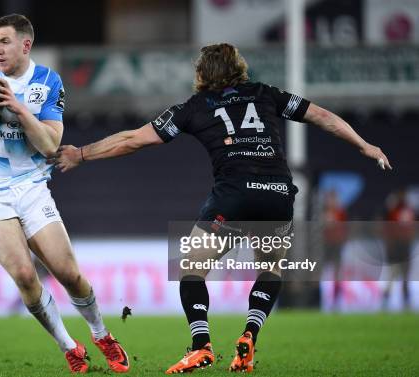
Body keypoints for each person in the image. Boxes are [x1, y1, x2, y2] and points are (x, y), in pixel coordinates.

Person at [55, 43, 391, 373]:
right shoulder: (265, 93)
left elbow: (134, 139)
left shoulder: (195, 107)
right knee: (271, 268)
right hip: (277, 193)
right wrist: (364, 145)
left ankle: (201, 346)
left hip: (234, 195)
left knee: (191, 267)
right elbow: (322, 116)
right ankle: (249, 337)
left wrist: (82, 153)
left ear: (201, 73)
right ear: (239, 67)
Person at [0, 14, 129, 374]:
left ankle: (101, 334)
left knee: (68, 274)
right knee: (23, 274)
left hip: (32, 187)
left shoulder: (47, 82)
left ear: (25, 44)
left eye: (4, 42)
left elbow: (51, 144)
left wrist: (17, 109)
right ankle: (69, 346)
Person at [382, 190, 415, 310]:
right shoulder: (393, 211)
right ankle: (385, 301)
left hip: (405, 247)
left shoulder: (409, 210)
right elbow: (388, 230)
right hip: (395, 248)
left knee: (405, 277)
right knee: (392, 275)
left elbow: (412, 229)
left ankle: (406, 302)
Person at [321, 190, 348, 310]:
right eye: (329, 198)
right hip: (325, 245)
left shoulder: (340, 212)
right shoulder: (322, 212)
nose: (331, 201)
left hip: (337, 245)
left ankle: (336, 302)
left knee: (337, 273)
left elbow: (345, 228)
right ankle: (322, 300)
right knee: (323, 272)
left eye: (333, 198)